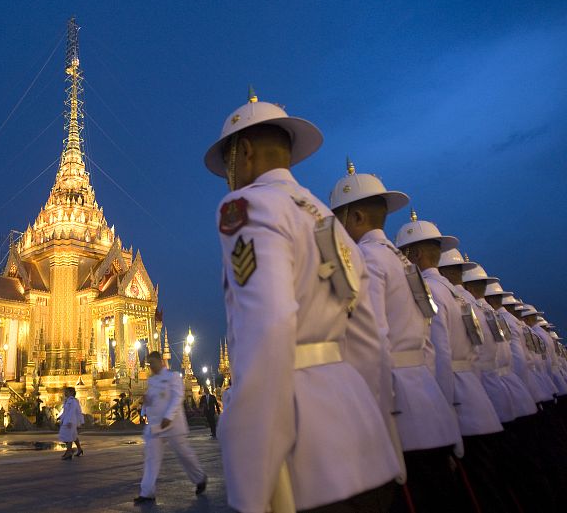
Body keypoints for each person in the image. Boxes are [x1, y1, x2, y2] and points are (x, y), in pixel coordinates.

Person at [205, 91, 400, 513]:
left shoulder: (248, 207)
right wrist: (381, 433)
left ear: (246, 152)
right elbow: (371, 341)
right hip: (362, 442)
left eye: (228, 163)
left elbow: (268, 328)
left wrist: (251, 481)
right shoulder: (330, 223)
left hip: (304, 451)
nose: (227, 177)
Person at [328, 162, 462, 513]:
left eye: (338, 221)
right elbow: (433, 346)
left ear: (355, 217)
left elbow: (371, 343)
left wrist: (369, 418)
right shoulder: (405, 266)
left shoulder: (367, 260)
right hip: (426, 403)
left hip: (398, 411)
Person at [395, 218, 510, 512]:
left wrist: (444, 411)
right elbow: (488, 353)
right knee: (491, 489)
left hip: (458, 405)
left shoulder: (430, 291)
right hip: (479, 398)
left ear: (415, 255)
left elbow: (439, 354)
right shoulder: (463, 297)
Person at [134, 351, 206, 504]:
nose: (151, 366)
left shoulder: (172, 377)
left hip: (173, 424)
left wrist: (169, 416)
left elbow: (177, 397)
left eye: (153, 362)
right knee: (151, 458)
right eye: (149, 363)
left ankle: (200, 478)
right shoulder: (152, 381)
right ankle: (147, 492)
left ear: (161, 361)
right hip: (156, 426)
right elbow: (150, 400)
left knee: (184, 454)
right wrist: (144, 408)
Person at [57, 386, 84, 460]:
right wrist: (60, 417)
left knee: (67, 436)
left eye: (67, 392)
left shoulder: (72, 401)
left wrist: (69, 421)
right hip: (68, 420)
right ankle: (79, 449)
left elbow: (72, 412)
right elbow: (66, 411)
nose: (65, 393)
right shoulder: (68, 400)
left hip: (70, 421)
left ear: (71, 393)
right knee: (73, 435)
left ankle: (69, 452)